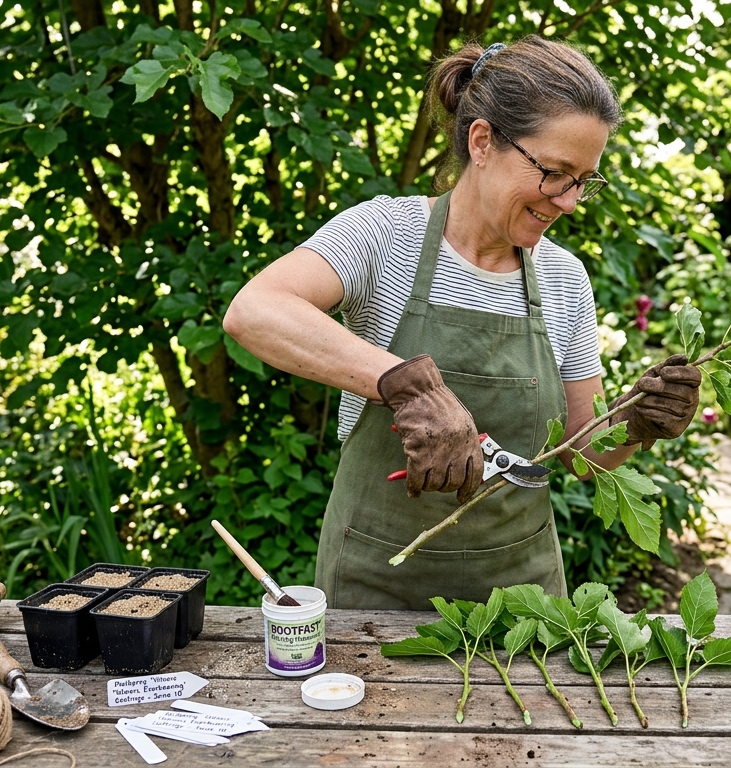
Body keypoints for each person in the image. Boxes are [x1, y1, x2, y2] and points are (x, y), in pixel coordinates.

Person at [224, 37, 701, 610]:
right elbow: (255, 310)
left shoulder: (564, 277)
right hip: (374, 593)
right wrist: (407, 385)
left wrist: (638, 422)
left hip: (521, 603)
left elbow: (580, 454)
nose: (571, 201)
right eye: (555, 172)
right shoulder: (386, 236)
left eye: (584, 181)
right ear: (482, 142)